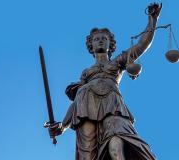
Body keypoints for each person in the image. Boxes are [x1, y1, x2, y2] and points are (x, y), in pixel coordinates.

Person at [46, 3, 162, 160]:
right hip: (85, 108)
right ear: (91, 45)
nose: (100, 41)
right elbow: (76, 102)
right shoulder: (86, 73)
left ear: (110, 44)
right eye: (96, 39)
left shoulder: (118, 62)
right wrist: (63, 126)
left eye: (104, 39)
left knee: (117, 143)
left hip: (113, 107)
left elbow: (142, 45)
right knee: (88, 155)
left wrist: (152, 21)